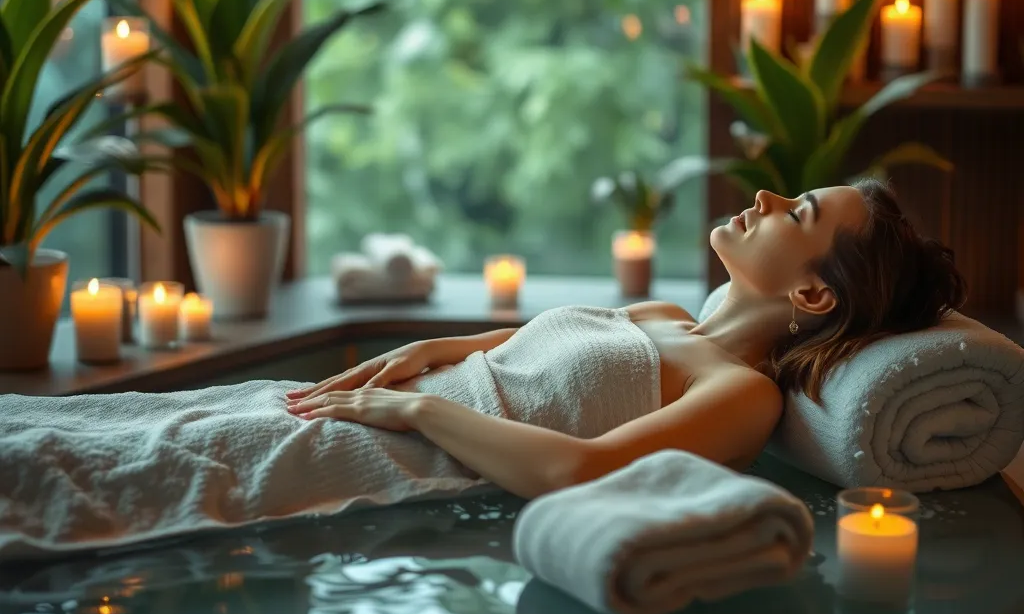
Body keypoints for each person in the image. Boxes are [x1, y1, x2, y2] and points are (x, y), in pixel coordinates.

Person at [286, 178, 967, 497]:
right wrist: (433, 352)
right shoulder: (663, 313)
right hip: (342, 408)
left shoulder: (740, 394)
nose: (766, 197)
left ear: (812, 295)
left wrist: (417, 409)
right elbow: (528, 346)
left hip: (388, 452)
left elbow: (576, 474)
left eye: (798, 213)